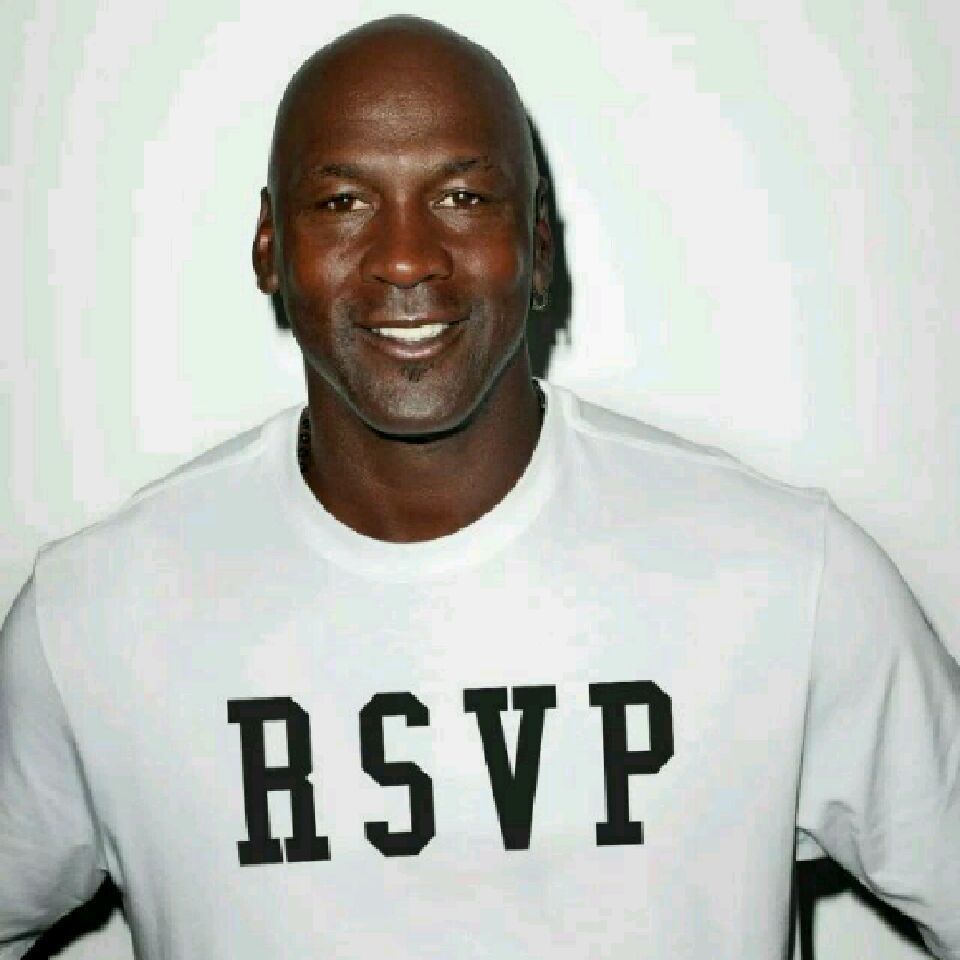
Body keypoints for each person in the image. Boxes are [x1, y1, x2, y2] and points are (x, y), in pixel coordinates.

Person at [1, 15, 958, 960]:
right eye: (342, 201)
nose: (406, 256)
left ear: (539, 245)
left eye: (463, 197)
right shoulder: (97, 614)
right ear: (268, 247)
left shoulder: (785, 577)